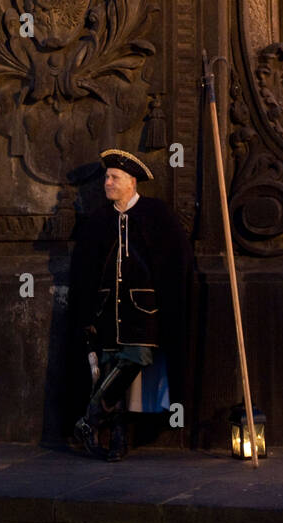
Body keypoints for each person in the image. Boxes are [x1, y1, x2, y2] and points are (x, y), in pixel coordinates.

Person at [69, 149, 193, 461]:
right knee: (112, 373)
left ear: (131, 182)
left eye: (114, 178)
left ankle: (89, 419)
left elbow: (176, 261)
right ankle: (117, 442)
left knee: (136, 357)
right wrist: (86, 314)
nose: (107, 183)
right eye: (107, 178)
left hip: (145, 310)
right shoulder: (99, 221)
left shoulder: (156, 214)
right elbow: (84, 271)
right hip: (107, 310)